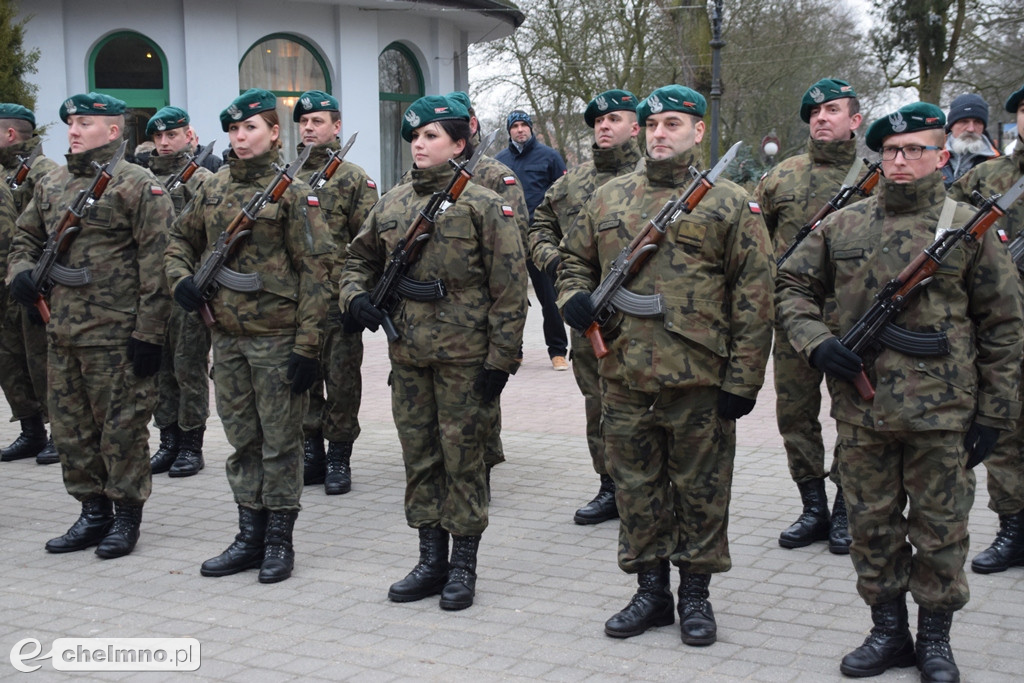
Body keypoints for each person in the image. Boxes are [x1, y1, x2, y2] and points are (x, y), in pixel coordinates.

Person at [776, 102, 1023, 681]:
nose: (901, 160)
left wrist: (997, 414)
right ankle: (888, 633)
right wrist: (815, 340)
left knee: (942, 532)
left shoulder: (968, 228)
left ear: (941, 156)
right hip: (864, 415)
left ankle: (935, 640)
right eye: (891, 151)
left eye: (915, 150)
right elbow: (790, 283)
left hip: (945, 415)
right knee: (872, 529)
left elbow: (1005, 325)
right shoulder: (844, 223)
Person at [558, 85, 774, 644]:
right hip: (625, 377)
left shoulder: (729, 201)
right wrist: (573, 299)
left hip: (699, 380)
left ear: (698, 132)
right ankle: (650, 593)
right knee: (635, 488)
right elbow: (571, 263)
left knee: (702, 491)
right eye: (653, 126)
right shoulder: (607, 198)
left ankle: (696, 597)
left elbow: (755, 296)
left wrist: (744, 379)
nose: (660, 134)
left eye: (673, 124)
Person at [341, 95, 527, 610]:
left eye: (432, 137)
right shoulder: (393, 202)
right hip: (409, 355)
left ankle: (463, 566)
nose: (420, 145)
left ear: (459, 144)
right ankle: (429, 560)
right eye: (416, 137)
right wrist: (355, 298)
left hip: (467, 359)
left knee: (463, 462)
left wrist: (501, 362)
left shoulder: (486, 206)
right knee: (420, 459)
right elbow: (357, 261)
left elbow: (510, 290)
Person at [164, 88, 333, 583]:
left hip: (278, 339)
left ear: (274, 133)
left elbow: (317, 272)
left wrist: (307, 347)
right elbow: (178, 240)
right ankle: (248, 535)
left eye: (250, 128)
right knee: (241, 440)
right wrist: (181, 281)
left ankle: (279, 539)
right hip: (229, 340)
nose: (240, 138)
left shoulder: (295, 193)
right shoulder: (211, 189)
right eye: (234, 131)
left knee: (280, 442)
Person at [8, 92, 174, 558]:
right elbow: (25, 236)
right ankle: (91, 512)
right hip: (61, 332)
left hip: (116, 336)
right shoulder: (53, 183)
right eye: (71, 123)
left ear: (114, 130)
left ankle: (125, 518)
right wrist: (20, 272)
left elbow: (157, 263)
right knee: (71, 430)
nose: (74, 130)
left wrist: (149, 334)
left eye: (84, 122)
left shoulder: (137, 184)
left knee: (120, 431)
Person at [755, 78, 864, 554]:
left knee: (855, 415)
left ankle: (845, 507)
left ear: (854, 120)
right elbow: (757, 248)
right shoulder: (781, 177)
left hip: (857, 320)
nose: (822, 118)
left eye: (833, 110)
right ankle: (813, 505)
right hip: (793, 318)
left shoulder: (876, 175)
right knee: (795, 414)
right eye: (815, 112)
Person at [530, 89, 643, 525]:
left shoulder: (654, 178)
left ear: (635, 127)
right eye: (598, 120)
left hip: (644, 317)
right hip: (587, 314)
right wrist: (557, 264)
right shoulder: (570, 183)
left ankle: (648, 485)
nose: (604, 126)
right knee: (597, 403)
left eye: (614, 118)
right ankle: (610, 486)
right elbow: (537, 227)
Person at [948, 82, 1024, 575]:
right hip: (1001, 327)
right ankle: (1013, 529)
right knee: (1006, 427)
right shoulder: (986, 177)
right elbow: (945, 235)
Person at [291, 90, 378, 495]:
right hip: (294, 301)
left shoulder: (354, 179)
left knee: (342, 381)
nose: (309, 128)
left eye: (318, 122)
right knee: (304, 379)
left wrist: (357, 296)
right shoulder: (284, 176)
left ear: (336, 127)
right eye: (304, 122)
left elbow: (369, 244)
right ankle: (312, 452)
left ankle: (339, 455)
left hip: (337, 300)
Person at [144, 106, 213, 479]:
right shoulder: (140, 179)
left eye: (172, 135)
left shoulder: (202, 180)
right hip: (150, 291)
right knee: (159, 369)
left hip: (186, 289)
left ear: (190, 135)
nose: (165, 142)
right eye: (158, 136)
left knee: (188, 366)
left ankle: (191, 443)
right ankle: (167, 439)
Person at [0, 103, 58, 465]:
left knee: (42, 360)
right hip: (5, 283)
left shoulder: (45, 173)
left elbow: (54, 234)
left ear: (9, 134)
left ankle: (60, 433)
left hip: (34, 284)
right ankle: (31, 430)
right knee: (10, 360)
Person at [495, 109, 569, 371]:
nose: (519, 130)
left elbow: (563, 194)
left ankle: (558, 351)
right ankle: (514, 351)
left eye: (523, 125)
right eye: (514, 126)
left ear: (531, 128)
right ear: (509, 131)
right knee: (511, 298)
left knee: (548, 296)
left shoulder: (549, 157)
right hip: (508, 238)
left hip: (540, 235)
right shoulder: (499, 161)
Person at [941, 93, 999, 187]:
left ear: (983, 127)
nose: (971, 129)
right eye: (964, 121)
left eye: (977, 122)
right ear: (951, 125)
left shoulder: (998, 161)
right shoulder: (931, 155)